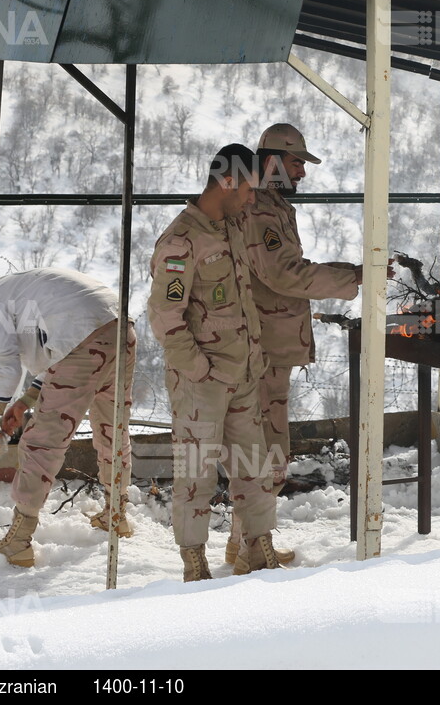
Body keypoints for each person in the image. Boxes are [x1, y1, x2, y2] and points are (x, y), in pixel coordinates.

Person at [228, 122, 364, 568]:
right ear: (271, 161)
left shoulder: (272, 206)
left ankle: (244, 542)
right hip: (262, 349)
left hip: (270, 346)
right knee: (268, 451)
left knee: (262, 448)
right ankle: (253, 550)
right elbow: (284, 274)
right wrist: (354, 278)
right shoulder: (262, 210)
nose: (303, 172)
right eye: (296, 162)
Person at [0, 267, 136, 567]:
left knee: (40, 442)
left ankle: (18, 542)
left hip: (83, 338)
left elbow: (8, 368)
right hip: (120, 328)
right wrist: (24, 402)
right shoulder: (18, 291)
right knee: (112, 426)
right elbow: (57, 353)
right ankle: (117, 516)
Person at [147, 143, 278, 582]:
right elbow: (165, 320)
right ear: (227, 181)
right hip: (200, 383)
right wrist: (200, 371)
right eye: (247, 188)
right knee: (195, 475)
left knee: (255, 468)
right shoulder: (181, 241)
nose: (251, 198)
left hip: (241, 376)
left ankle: (261, 554)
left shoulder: (232, 227)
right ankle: (194, 565)